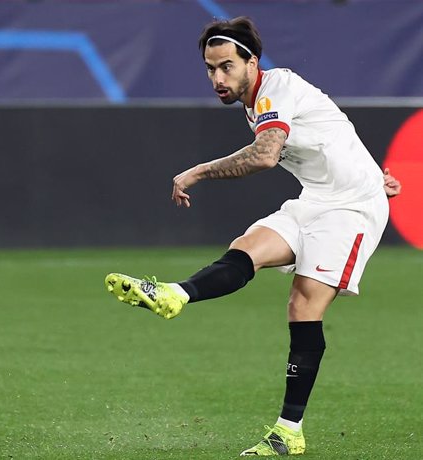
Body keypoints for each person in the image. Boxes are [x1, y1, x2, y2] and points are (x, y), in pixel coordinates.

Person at [104, 16, 401, 456]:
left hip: (352, 210)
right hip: (316, 198)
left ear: (252, 62)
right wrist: (376, 171)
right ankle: (174, 295)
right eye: (210, 68)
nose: (218, 78)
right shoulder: (258, 102)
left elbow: (265, 156)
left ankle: (288, 432)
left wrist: (200, 170)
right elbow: (334, 129)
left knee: (302, 303)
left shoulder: (276, 86)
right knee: (246, 250)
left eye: (226, 66)